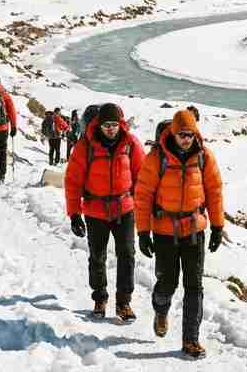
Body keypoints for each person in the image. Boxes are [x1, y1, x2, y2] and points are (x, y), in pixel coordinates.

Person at [135, 109, 224, 360]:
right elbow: (142, 196)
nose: (186, 139)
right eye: (181, 134)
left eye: (190, 134)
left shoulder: (204, 157)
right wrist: (143, 232)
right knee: (168, 283)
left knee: (194, 286)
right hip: (164, 231)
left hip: (194, 229)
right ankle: (161, 310)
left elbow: (214, 191)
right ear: (172, 134)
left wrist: (217, 226)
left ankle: (191, 340)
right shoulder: (156, 159)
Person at [65, 102, 146, 321]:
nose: (110, 129)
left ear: (120, 124)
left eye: (114, 124)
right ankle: (100, 298)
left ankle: (124, 303)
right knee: (97, 257)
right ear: (98, 125)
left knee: (127, 255)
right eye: (106, 125)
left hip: (125, 208)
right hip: (95, 210)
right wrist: (74, 213)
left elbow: (143, 177)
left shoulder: (131, 143)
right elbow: (73, 181)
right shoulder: (85, 146)